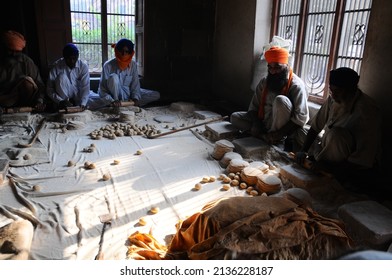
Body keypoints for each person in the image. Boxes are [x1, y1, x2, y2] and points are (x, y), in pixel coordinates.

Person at [295, 67, 382, 191]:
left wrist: (328, 167)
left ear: (351, 89)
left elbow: (363, 159)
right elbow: (315, 126)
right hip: (330, 147)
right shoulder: (333, 98)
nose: (333, 95)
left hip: (353, 164)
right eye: (331, 90)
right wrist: (303, 150)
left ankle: (331, 172)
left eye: (338, 91)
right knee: (300, 132)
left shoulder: (367, 111)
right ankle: (321, 162)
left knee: (336, 134)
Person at [230, 46, 309, 150]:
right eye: (270, 67)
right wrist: (256, 124)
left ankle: (275, 138)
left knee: (280, 100)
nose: (273, 72)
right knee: (234, 117)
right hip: (264, 123)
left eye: (277, 67)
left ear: (286, 65)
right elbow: (253, 108)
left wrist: (280, 133)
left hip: (282, 129)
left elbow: (301, 118)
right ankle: (264, 137)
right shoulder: (264, 82)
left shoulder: (296, 85)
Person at [97, 38, 159, 108]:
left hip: (128, 95)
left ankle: (128, 103)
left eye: (126, 52)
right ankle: (117, 103)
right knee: (113, 77)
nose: (124, 54)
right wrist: (111, 100)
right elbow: (102, 89)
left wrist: (135, 98)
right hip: (114, 97)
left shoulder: (133, 65)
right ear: (117, 50)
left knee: (155, 95)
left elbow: (135, 85)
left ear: (130, 53)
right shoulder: (108, 65)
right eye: (121, 51)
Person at [0, 30, 46, 112]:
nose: (13, 54)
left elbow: (40, 84)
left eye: (17, 52)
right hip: (4, 98)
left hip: (24, 99)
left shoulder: (26, 61)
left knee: (27, 81)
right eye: (10, 50)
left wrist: (39, 101)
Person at [46, 43, 90, 110]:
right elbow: (49, 89)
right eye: (68, 59)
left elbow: (85, 87)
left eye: (74, 58)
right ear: (64, 57)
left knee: (99, 101)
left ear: (77, 56)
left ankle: (76, 104)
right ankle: (66, 104)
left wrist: (83, 103)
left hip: (78, 98)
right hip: (63, 99)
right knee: (61, 77)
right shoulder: (56, 66)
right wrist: (60, 101)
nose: (72, 61)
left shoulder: (83, 66)